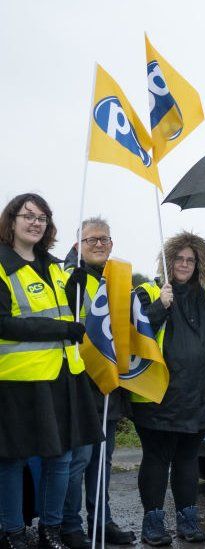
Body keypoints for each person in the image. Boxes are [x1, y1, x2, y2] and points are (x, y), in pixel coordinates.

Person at [0, 193, 102, 549]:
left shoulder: (58, 267)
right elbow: (4, 324)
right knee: (10, 460)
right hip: (18, 380)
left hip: (63, 376)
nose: (35, 222)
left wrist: (82, 280)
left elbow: (80, 310)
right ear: (11, 220)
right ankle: (13, 532)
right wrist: (60, 329)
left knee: (60, 458)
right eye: (28, 215)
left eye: (42, 217)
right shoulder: (1, 266)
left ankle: (51, 529)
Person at [132, 231, 205, 546]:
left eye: (191, 260)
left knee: (189, 460)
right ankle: (153, 525)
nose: (184, 264)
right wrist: (160, 307)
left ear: (199, 263)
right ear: (168, 259)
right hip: (157, 395)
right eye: (179, 258)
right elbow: (133, 335)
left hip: (198, 396)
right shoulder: (148, 292)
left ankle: (188, 522)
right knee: (157, 459)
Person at [59, 217, 136, 548]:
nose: (99, 244)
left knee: (102, 461)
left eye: (104, 239)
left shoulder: (118, 279)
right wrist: (68, 290)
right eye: (92, 240)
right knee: (79, 460)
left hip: (107, 382)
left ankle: (101, 522)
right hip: (78, 383)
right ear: (78, 245)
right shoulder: (66, 278)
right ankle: (70, 525)